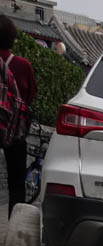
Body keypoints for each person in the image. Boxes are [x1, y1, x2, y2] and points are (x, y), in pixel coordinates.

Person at [0, 16, 36, 217]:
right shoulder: (23, 65)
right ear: (12, 38)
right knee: (16, 185)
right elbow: (29, 96)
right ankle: (14, 227)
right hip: (14, 132)